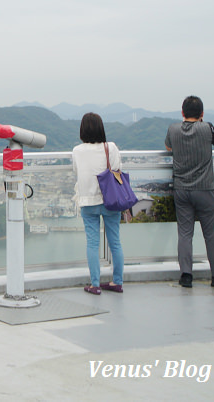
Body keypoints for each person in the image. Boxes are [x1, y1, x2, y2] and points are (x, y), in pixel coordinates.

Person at [165, 95, 214, 288]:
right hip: (205, 189)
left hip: (182, 189)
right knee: (211, 234)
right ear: (202, 114)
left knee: (185, 233)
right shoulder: (207, 128)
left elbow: (168, 147)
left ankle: (186, 275)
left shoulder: (173, 129)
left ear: (182, 113)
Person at [71, 113, 125, 295]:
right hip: (111, 200)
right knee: (115, 242)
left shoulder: (77, 151)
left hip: (88, 201)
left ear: (82, 130)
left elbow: (76, 171)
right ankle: (117, 282)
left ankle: (95, 284)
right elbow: (117, 169)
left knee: (93, 243)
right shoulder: (111, 147)